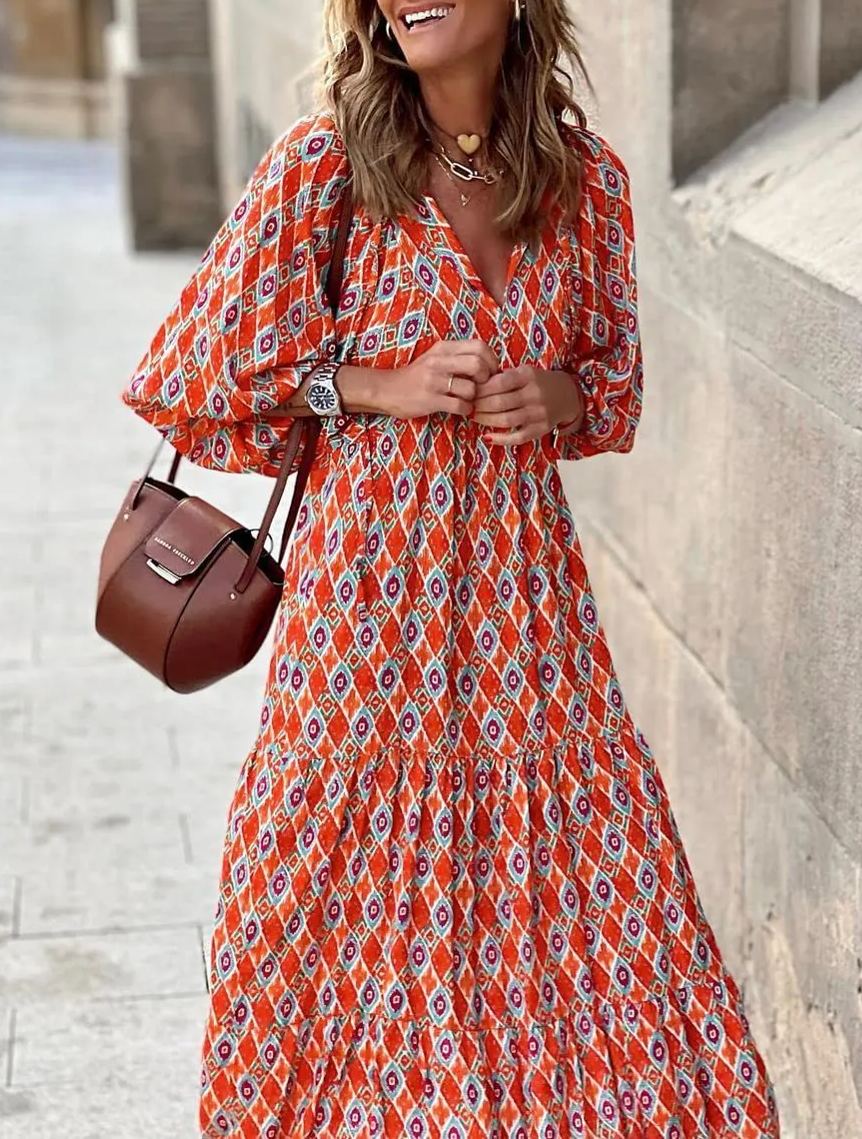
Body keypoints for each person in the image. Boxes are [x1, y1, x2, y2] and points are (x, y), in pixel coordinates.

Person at [122, 1, 782, 1136]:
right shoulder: (327, 166)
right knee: (335, 925)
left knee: (593, 924)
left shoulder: (588, 183)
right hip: (367, 632)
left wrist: (556, 394)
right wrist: (373, 384)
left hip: (529, 632)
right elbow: (190, 371)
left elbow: (614, 387)